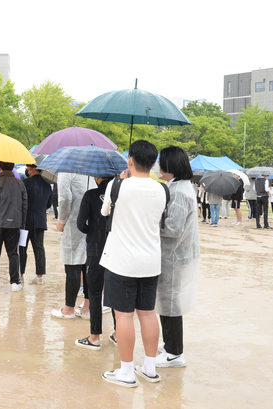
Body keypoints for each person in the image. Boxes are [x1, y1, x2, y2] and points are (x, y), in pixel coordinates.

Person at [100, 140, 167, 387]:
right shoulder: (162, 189)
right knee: (148, 313)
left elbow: (105, 213)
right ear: (153, 162)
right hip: (150, 262)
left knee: (124, 316)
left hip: (122, 262)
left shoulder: (117, 186)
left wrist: (120, 181)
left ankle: (126, 372)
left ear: (130, 160)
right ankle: (149, 368)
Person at [155, 146, 200, 368]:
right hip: (173, 255)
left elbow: (173, 228)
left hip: (174, 256)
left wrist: (151, 221)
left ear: (170, 165)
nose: (157, 166)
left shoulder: (180, 192)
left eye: (160, 162)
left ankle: (174, 353)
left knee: (171, 302)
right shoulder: (177, 187)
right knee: (167, 301)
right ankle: (169, 344)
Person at [74, 175, 113, 350]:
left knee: (95, 292)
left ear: (97, 176)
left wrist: (93, 231)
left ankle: (94, 336)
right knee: (115, 293)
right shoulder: (119, 194)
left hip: (96, 249)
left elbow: (81, 224)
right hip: (116, 249)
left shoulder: (89, 195)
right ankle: (119, 334)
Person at [51, 172, 95, 319]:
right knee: (88, 265)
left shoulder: (66, 172)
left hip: (74, 223)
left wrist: (61, 220)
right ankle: (87, 308)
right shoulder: (92, 169)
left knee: (73, 266)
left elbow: (65, 198)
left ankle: (69, 309)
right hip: (93, 223)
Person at [0, 161, 27, 291]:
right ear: (13, 168)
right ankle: (15, 282)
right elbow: (25, 206)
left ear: (0, 168)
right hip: (14, 223)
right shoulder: (20, 184)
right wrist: (22, 224)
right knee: (13, 253)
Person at [20, 162, 52, 284]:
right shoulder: (47, 185)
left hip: (25, 221)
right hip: (40, 220)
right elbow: (48, 205)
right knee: (39, 248)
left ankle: (20, 274)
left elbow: (21, 202)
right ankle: (39, 277)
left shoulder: (25, 184)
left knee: (22, 247)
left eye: (28, 167)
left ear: (33, 169)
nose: (27, 170)